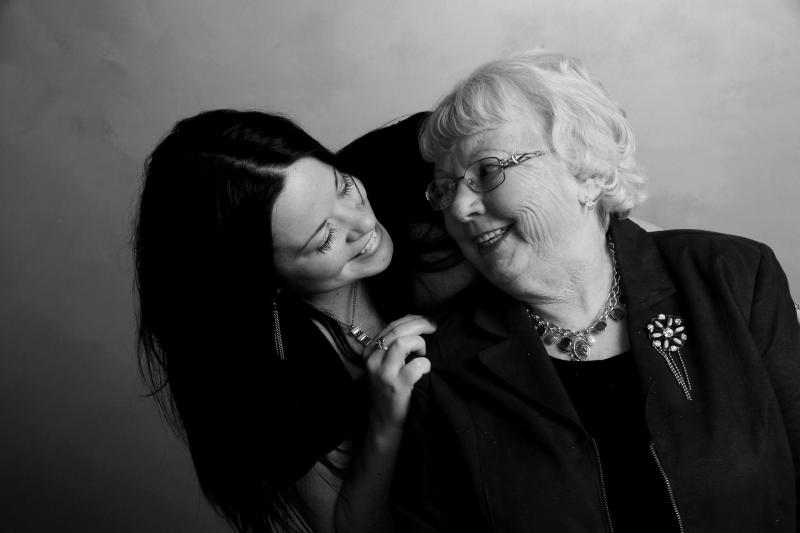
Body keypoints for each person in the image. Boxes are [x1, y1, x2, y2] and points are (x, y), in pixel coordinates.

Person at [391, 50, 800, 532]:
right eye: (444, 188)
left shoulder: (732, 276)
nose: (458, 207)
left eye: (487, 170)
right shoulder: (443, 365)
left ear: (587, 172)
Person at [133, 109, 438, 533]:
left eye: (343, 187)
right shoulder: (268, 372)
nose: (364, 222)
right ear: (264, 278)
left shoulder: (374, 165)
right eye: (324, 238)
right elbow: (346, 526)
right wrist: (385, 422)